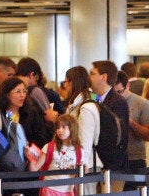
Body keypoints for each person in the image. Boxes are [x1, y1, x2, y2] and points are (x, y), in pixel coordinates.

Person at [113, 71, 149, 191]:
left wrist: (130, 123)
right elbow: (92, 96)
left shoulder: (142, 103)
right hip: (115, 159)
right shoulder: (107, 101)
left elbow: (148, 135)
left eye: (119, 92)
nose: (116, 96)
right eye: (113, 92)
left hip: (135, 158)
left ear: (128, 86)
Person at [63, 66, 100, 195]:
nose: (64, 86)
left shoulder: (86, 107)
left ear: (72, 82)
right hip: (80, 162)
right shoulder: (83, 102)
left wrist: (81, 164)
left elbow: (86, 139)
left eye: (65, 82)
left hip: (86, 164)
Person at [28, 114, 85, 196]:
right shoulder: (49, 147)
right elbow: (34, 169)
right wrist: (30, 157)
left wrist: (83, 168)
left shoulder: (79, 151)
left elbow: (83, 172)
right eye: (58, 128)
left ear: (72, 128)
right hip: (49, 189)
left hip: (68, 191)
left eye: (63, 127)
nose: (60, 130)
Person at [90, 61, 129, 174]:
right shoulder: (93, 97)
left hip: (112, 167)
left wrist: (111, 168)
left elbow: (121, 137)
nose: (89, 77)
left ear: (104, 77)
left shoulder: (118, 101)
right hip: (96, 164)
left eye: (92, 73)